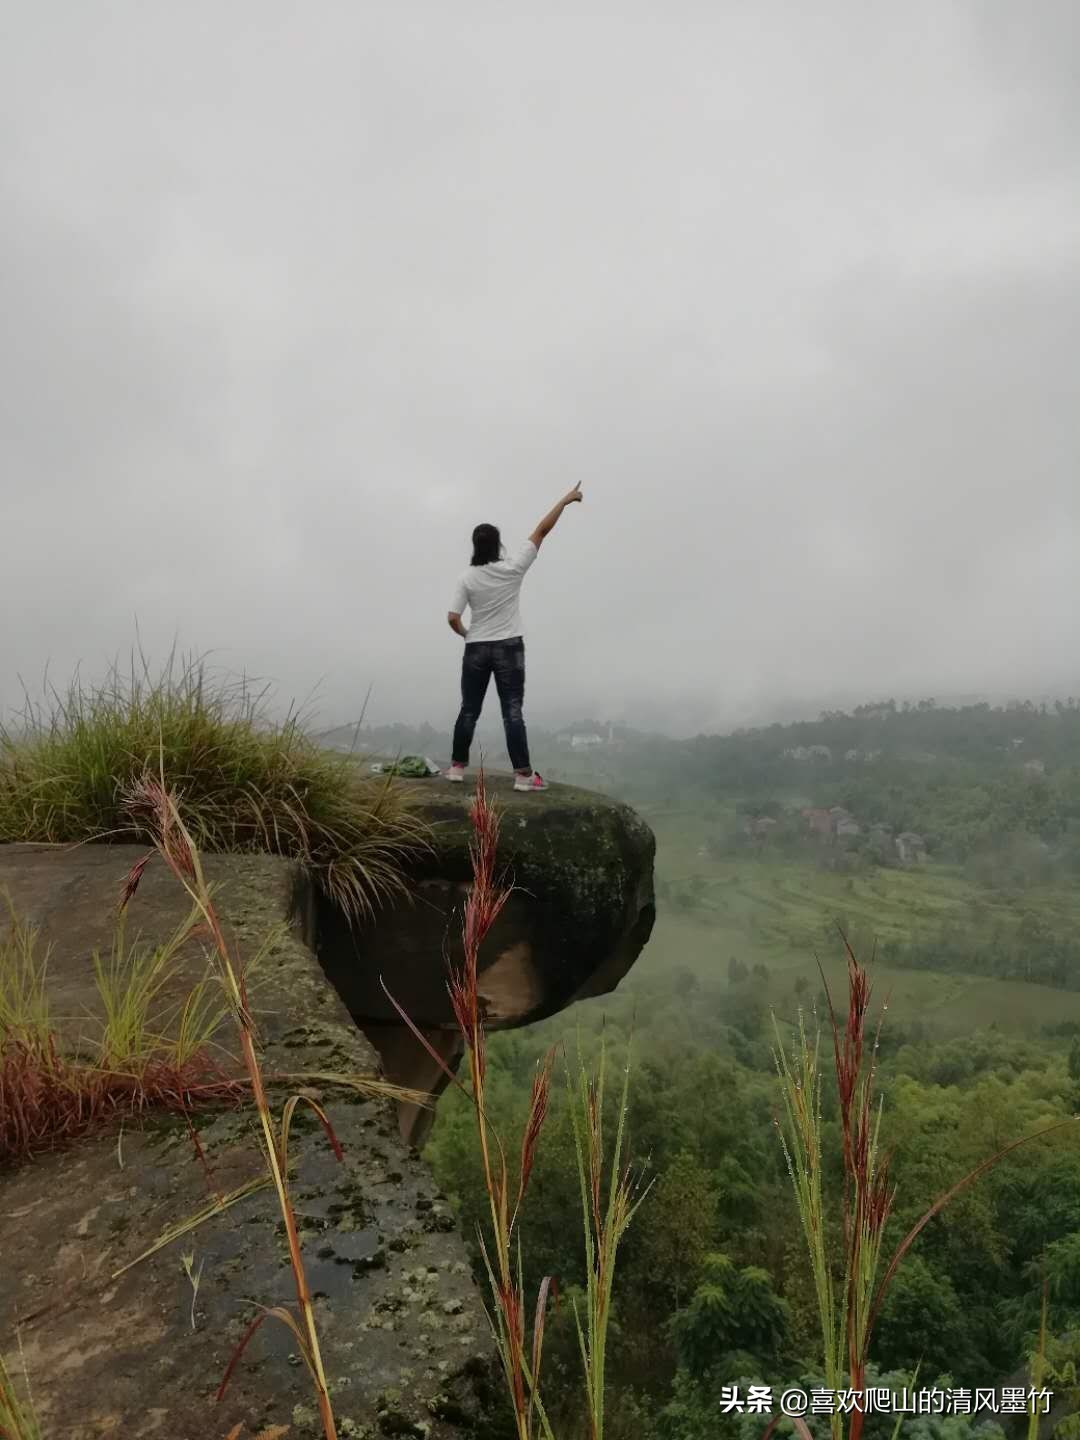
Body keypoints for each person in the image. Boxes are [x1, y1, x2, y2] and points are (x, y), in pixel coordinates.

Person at [445, 484, 583, 791]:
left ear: (474, 546)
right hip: (509, 647)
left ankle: (456, 768)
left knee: (469, 708)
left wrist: (468, 634)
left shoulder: (466, 577)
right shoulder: (513, 568)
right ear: (497, 545)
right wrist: (566, 499)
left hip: (476, 647)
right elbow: (542, 530)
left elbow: (453, 618)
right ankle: (523, 776)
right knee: (512, 711)